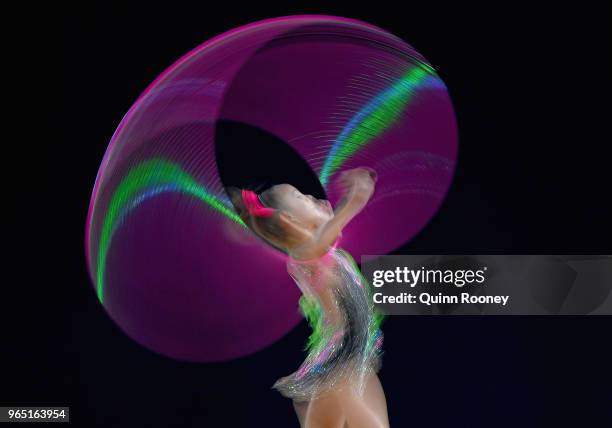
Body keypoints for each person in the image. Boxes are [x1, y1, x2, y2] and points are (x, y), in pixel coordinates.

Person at [228, 167, 389, 428]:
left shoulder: (321, 254)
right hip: (343, 364)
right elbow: (328, 234)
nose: (313, 196)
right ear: (289, 220)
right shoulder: (305, 255)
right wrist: (354, 198)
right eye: (302, 197)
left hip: (343, 364)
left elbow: (329, 237)